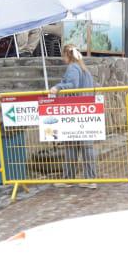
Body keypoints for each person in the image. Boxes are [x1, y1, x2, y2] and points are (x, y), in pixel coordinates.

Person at [48, 46, 97, 185]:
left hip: (75, 110)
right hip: (86, 109)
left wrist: (58, 87)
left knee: (71, 145)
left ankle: (71, 178)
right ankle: (90, 178)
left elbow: (73, 85)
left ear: (67, 55)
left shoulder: (73, 68)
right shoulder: (84, 69)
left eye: (63, 55)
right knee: (85, 146)